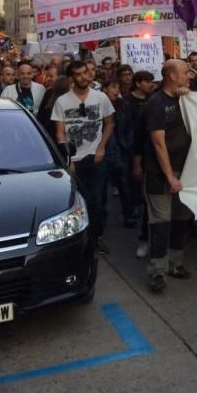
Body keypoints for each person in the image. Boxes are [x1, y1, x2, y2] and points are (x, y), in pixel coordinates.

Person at [51, 60, 115, 253]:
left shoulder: (101, 98)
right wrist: (68, 158)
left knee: (97, 200)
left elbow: (110, 123)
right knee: (77, 201)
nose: (83, 77)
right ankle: (79, 239)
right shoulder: (62, 101)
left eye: (85, 73)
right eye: (78, 74)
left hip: (95, 157)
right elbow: (60, 133)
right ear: (71, 78)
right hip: (74, 161)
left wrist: (101, 148)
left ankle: (96, 238)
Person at [142, 59, 194, 292]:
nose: (189, 75)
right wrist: (170, 177)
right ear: (172, 76)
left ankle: (176, 263)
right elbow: (158, 143)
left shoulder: (186, 98)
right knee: (160, 223)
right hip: (160, 173)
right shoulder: (156, 103)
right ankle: (157, 271)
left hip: (187, 169)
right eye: (185, 72)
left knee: (181, 220)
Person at [127, 70, 156, 259]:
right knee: (150, 204)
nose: (150, 85)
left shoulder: (155, 100)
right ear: (137, 83)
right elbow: (135, 135)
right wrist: (136, 162)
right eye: (147, 81)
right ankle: (145, 239)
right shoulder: (128, 103)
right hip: (147, 157)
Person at [103, 79, 138, 228]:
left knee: (124, 184)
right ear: (105, 89)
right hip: (104, 150)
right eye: (113, 86)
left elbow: (129, 126)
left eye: (118, 87)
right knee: (102, 187)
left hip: (121, 149)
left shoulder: (123, 105)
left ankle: (128, 214)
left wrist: (128, 144)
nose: (116, 90)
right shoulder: (98, 104)